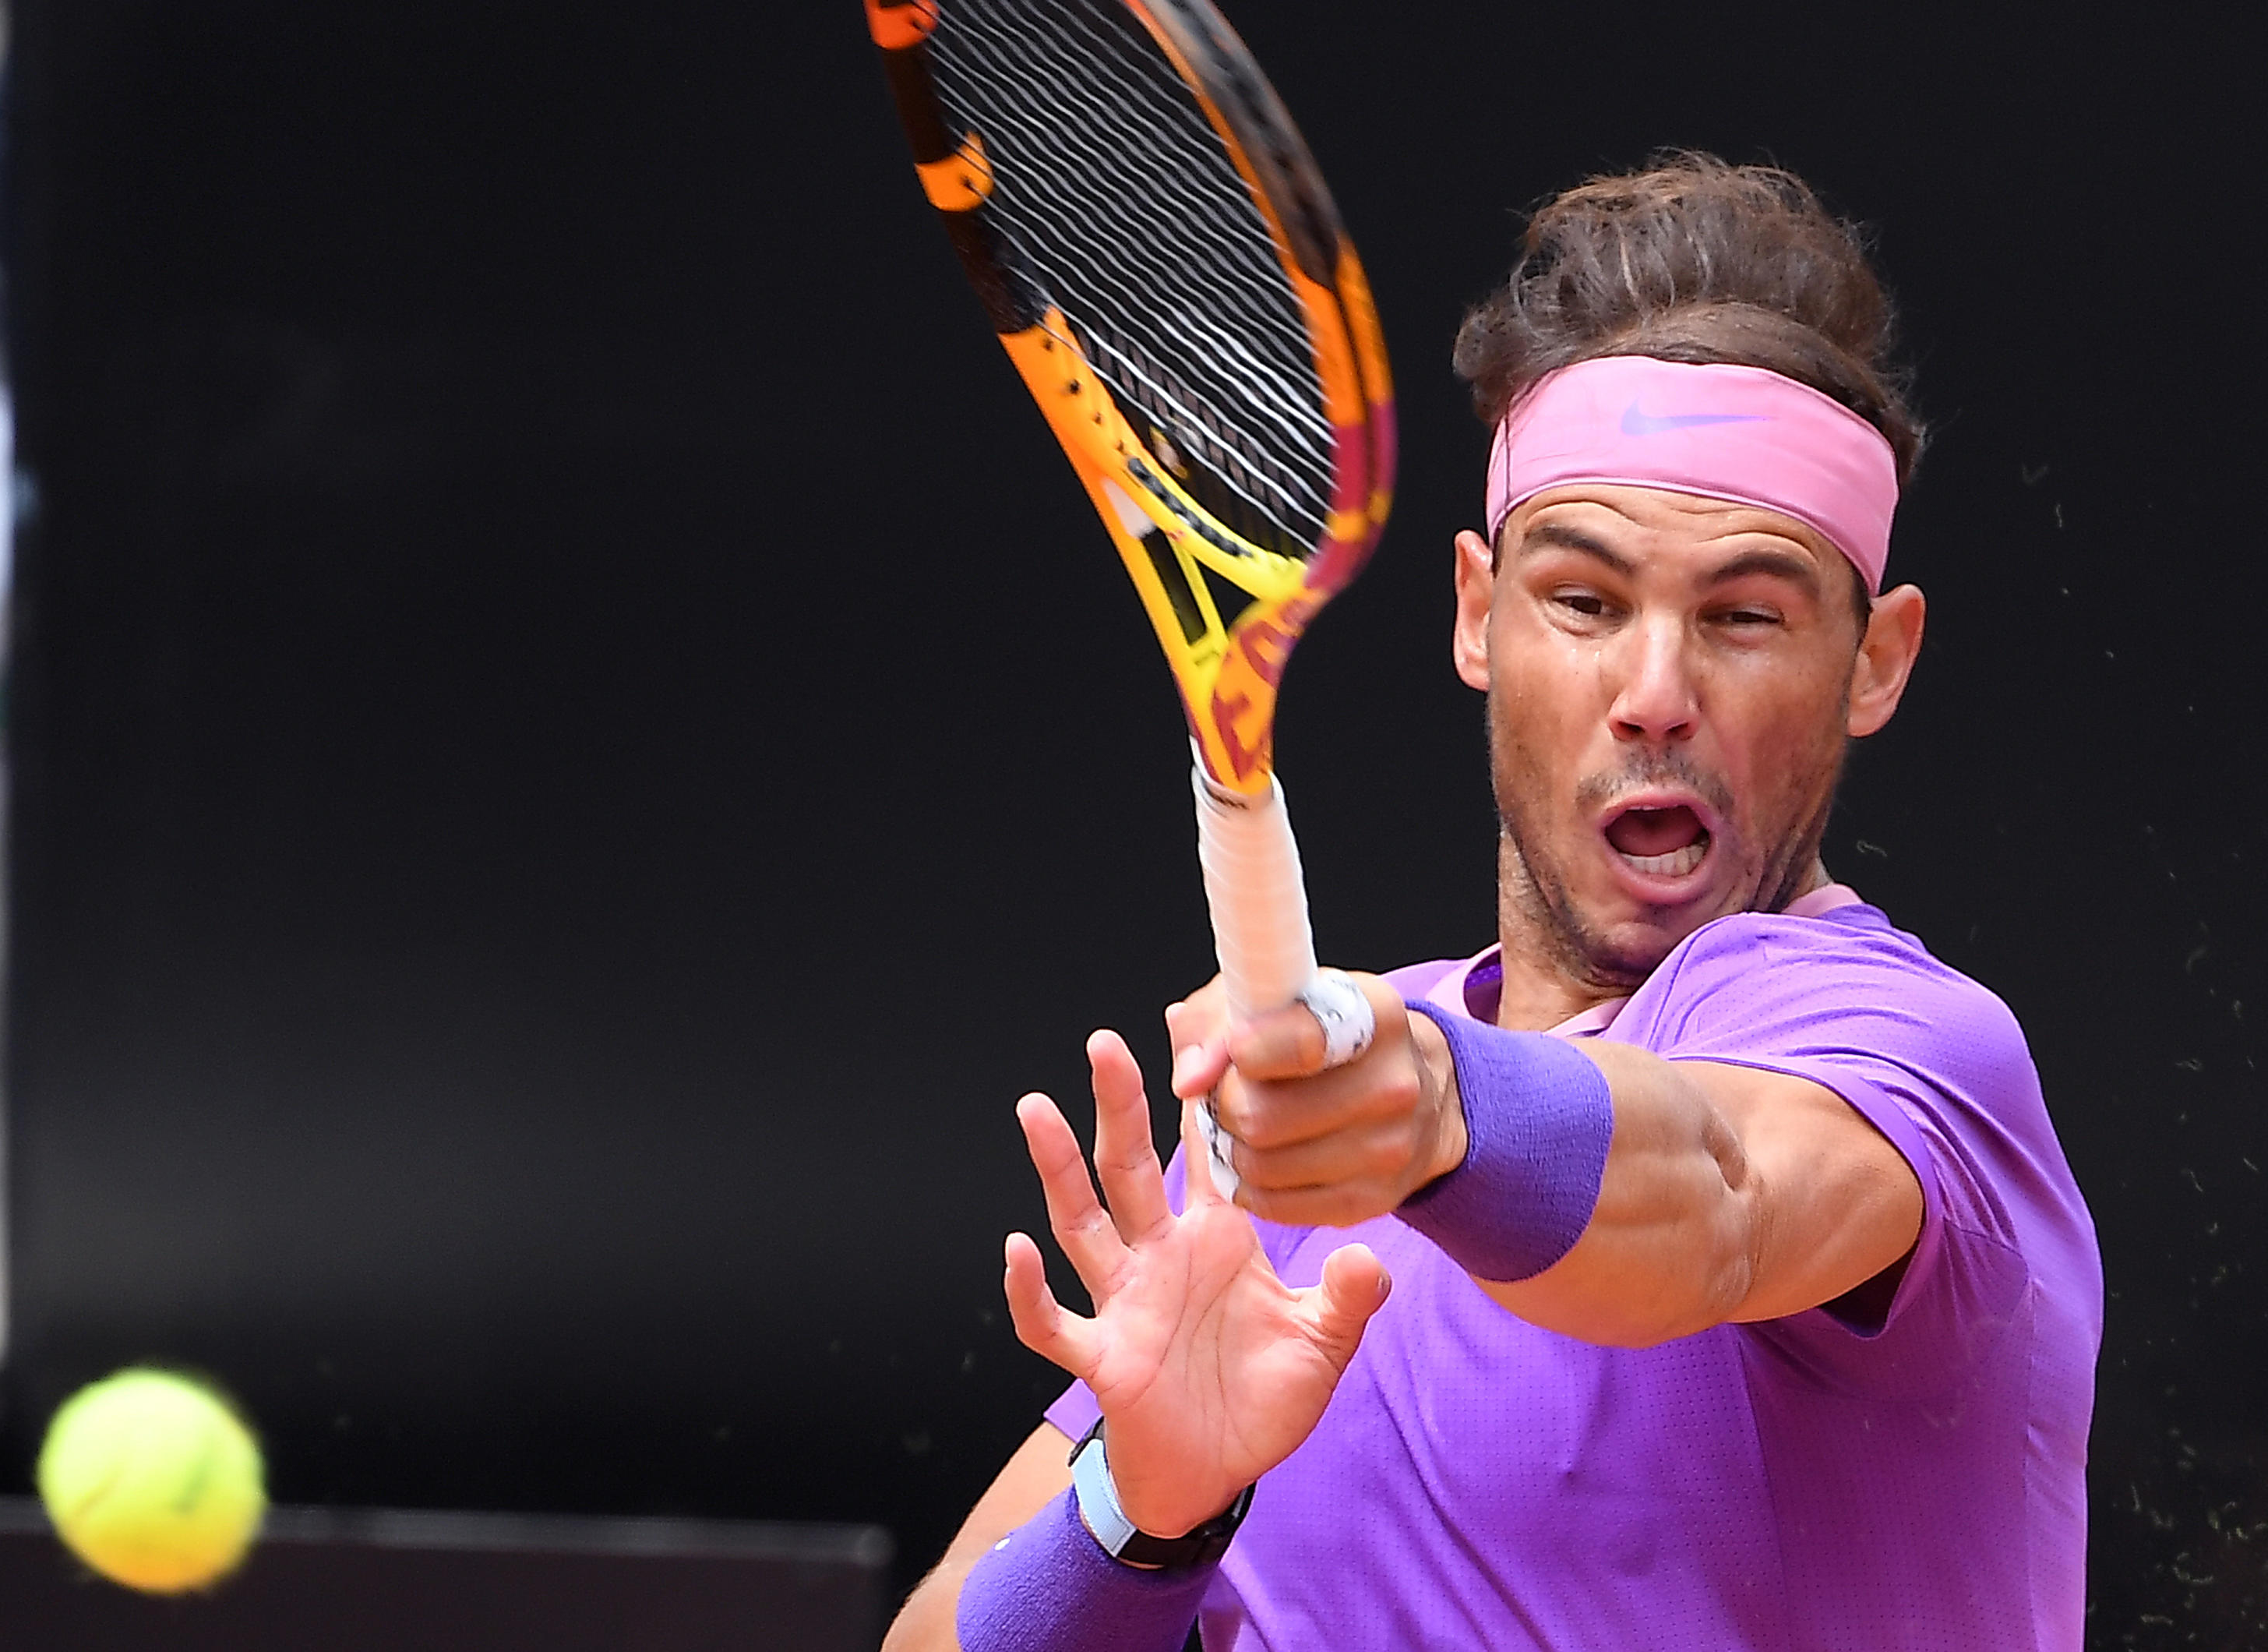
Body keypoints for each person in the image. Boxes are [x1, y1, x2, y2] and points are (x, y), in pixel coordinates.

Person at [886, 154, 2102, 1651]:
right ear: (1478, 611)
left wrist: (1436, 1110)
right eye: (1584, 602)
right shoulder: (1293, 1125)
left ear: (1875, 661)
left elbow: (1719, 1187)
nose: (1654, 693)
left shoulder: (1910, 1056)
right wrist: (1141, 1518)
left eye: (1745, 615)